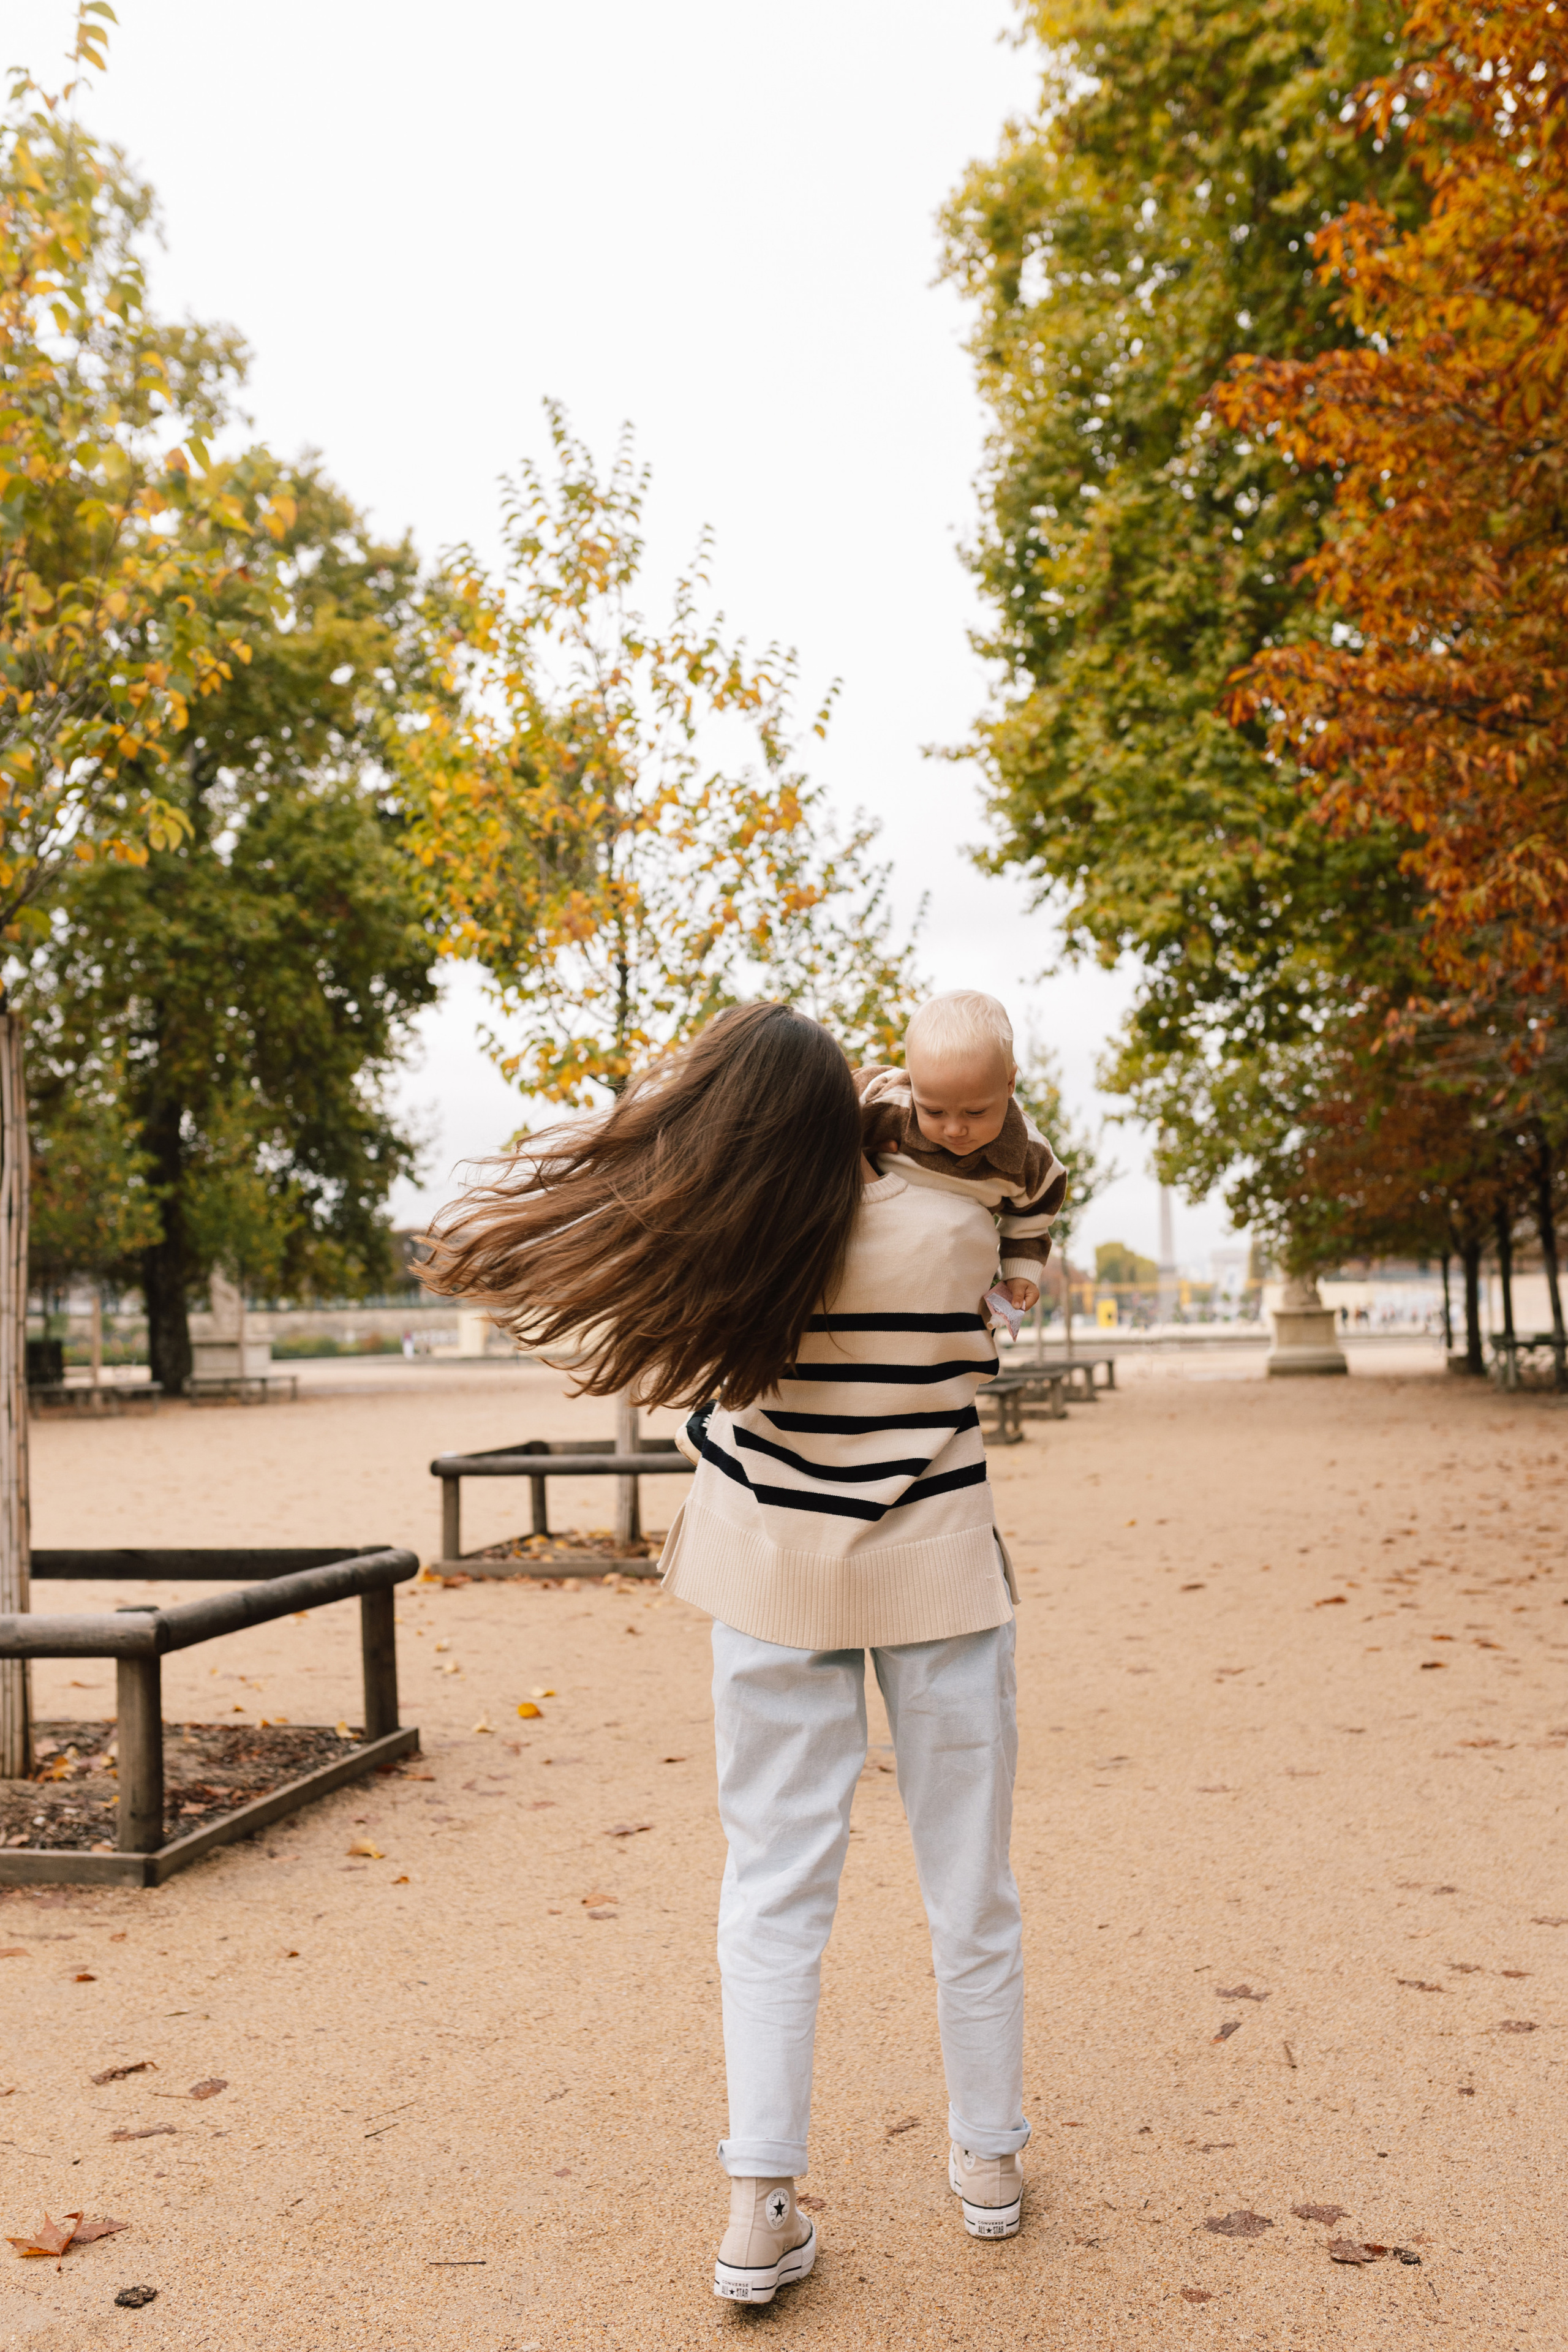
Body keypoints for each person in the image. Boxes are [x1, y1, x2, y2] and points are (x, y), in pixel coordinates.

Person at [423, 1003, 1044, 2305]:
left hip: (769, 1584)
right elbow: (984, 1333)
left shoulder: (729, 1247)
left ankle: (759, 2203)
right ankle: (986, 2158)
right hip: (934, 1571)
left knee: (771, 1890)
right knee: (966, 1883)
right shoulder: (954, 1229)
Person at [856, 989, 1066, 1328]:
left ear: (1010, 1083)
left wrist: (1020, 1273)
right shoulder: (887, 1100)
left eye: (976, 1111)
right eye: (933, 1110)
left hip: (951, 1283)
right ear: (912, 1082)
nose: (954, 1129)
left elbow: (1033, 1217)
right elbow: (830, 1113)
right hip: (872, 1262)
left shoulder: (1028, 1155)